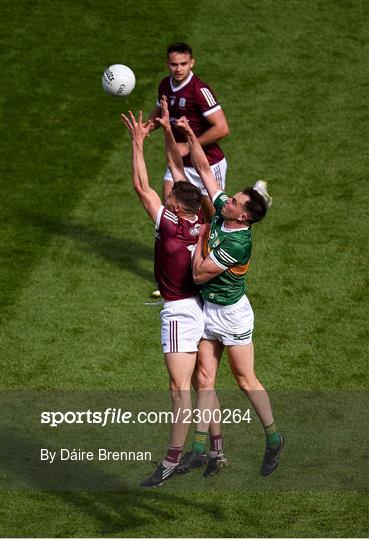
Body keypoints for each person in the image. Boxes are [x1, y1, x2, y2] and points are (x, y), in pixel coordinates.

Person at [174, 117, 285, 477]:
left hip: (233, 316)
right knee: (204, 378)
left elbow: (198, 273)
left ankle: (273, 438)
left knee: (244, 380)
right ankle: (199, 449)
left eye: (234, 200)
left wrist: (199, 237)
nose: (226, 199)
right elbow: (205, 170)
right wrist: (190, 134)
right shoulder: (226, 213)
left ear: (246, 215)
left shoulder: (237, 241)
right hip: (209, 310)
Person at [121, 102, 205, 488]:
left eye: (170, 200)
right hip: (204, 308)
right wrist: (171, 132)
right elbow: (179, 171)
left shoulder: (169, 224)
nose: (166, 200)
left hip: (178, 313)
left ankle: (172, 459)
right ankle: (212, 447)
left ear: (176, 208)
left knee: (178, 389)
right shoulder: (202, 225)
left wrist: (138, 142)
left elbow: (141, 186)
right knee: (204, 382)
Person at [146, 42, 230, 223]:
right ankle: (182, 250)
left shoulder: (199, 90)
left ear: (192, 63)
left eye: (183, 64)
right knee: (171, 214)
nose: (178, 69)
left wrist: (190, 145)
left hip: (208, 164)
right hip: (178, 162)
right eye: (174, 64)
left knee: (212, 221)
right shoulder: (164, 86)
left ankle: (207, 251)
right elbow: (160, 111)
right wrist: (147, 127)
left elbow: (222, 128)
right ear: (167, 63)